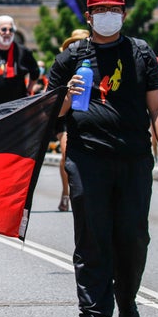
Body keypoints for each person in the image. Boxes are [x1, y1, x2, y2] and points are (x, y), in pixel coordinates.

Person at [47, 0, 158, 317]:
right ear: (88, 17)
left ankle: (127, 298)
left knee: (134, 237)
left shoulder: (140, 53)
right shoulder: (71, 58)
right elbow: (50, 113)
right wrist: (66, 95)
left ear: (124, 14)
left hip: (134, 158)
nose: (108, 16)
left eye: (114, 10)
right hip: (86, 158)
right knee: (92, 237)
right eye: (101, 11)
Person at [55, 29, 90, 212]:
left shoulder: (93, 65)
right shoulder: (63, 63)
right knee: (65, 153)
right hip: (65, 117)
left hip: (87, 116)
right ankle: (66, 192)